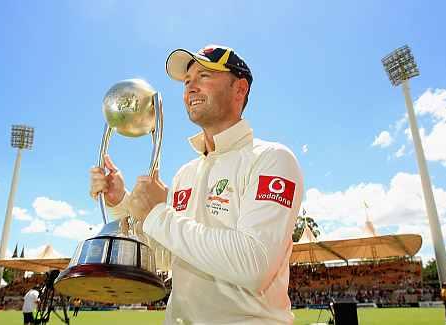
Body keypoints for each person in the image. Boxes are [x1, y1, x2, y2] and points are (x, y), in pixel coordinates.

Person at [90, 44, 304, 324]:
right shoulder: (186, 173)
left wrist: (157, 213)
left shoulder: (271, 158)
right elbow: (166, 257)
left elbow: (254, 265)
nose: (190, 88)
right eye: (187, 82)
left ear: (240, 89)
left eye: (204, 76)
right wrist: (122, 203)